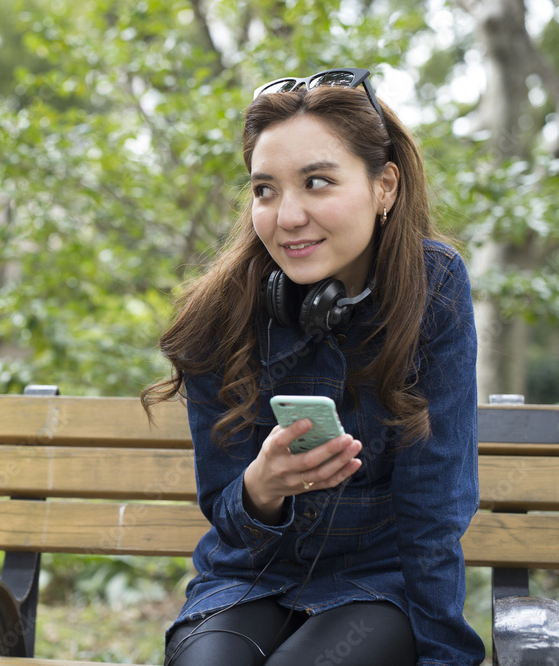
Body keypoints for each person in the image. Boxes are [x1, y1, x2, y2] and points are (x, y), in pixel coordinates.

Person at [141, 68, 485, 665]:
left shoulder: (434, 289)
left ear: (385, 186)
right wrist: (261, 489)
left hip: (380, 587)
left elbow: (434, 508)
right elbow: (224, 512)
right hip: (247, 578)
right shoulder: (218, 313)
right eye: (265, 190)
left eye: (318, 182)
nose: (287, 215)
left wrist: (442, 656)